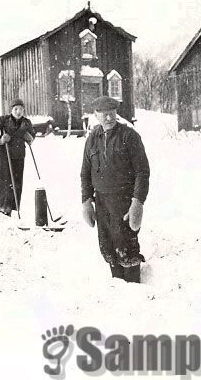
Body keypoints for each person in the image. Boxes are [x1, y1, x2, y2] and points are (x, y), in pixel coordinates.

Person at [80, 96, 150, 283]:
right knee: (108, 245)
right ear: (96, 115)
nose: (109, 118)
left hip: (124, 201)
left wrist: (137, 202)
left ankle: (134, 286)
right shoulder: (92, 138)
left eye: (111, 114)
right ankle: (118, 287)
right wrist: (86, 201)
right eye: (104, 115)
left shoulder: (129, 136)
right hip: (101, 201)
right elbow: (85, 172)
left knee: (126, 245)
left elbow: (142, 172)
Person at [0, 98, 35, 216]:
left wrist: (30, 137)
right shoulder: (3, 120)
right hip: (5, 155)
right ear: (11, 110)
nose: (18, 112)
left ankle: (14, 209)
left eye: (21, 109)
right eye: (16, 109)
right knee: (5, 181)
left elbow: (32, 135)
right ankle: (3, 208)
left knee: (17, 182)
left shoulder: (26, 122)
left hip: (19, 155)